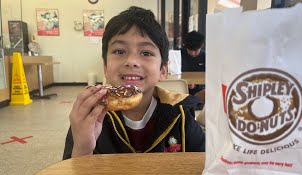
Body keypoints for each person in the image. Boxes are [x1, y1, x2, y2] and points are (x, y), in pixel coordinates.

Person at [63, 6, 205, 159]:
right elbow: (71, 172)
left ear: (163, 70)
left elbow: (205, 166)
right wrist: (83, 149)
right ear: (105, 66)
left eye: (146, 53)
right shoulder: (89, 118)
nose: (131, 61)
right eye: (119, 51)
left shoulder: (181, 115)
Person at [181, 31, 206, 109]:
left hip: (199, 91)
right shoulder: (178, 55)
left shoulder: (205, 57)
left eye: (196, 50)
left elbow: (210, 78)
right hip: (180, 90)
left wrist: (196, 84)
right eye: (190, 50)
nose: (192, 53)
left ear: (201, 46)